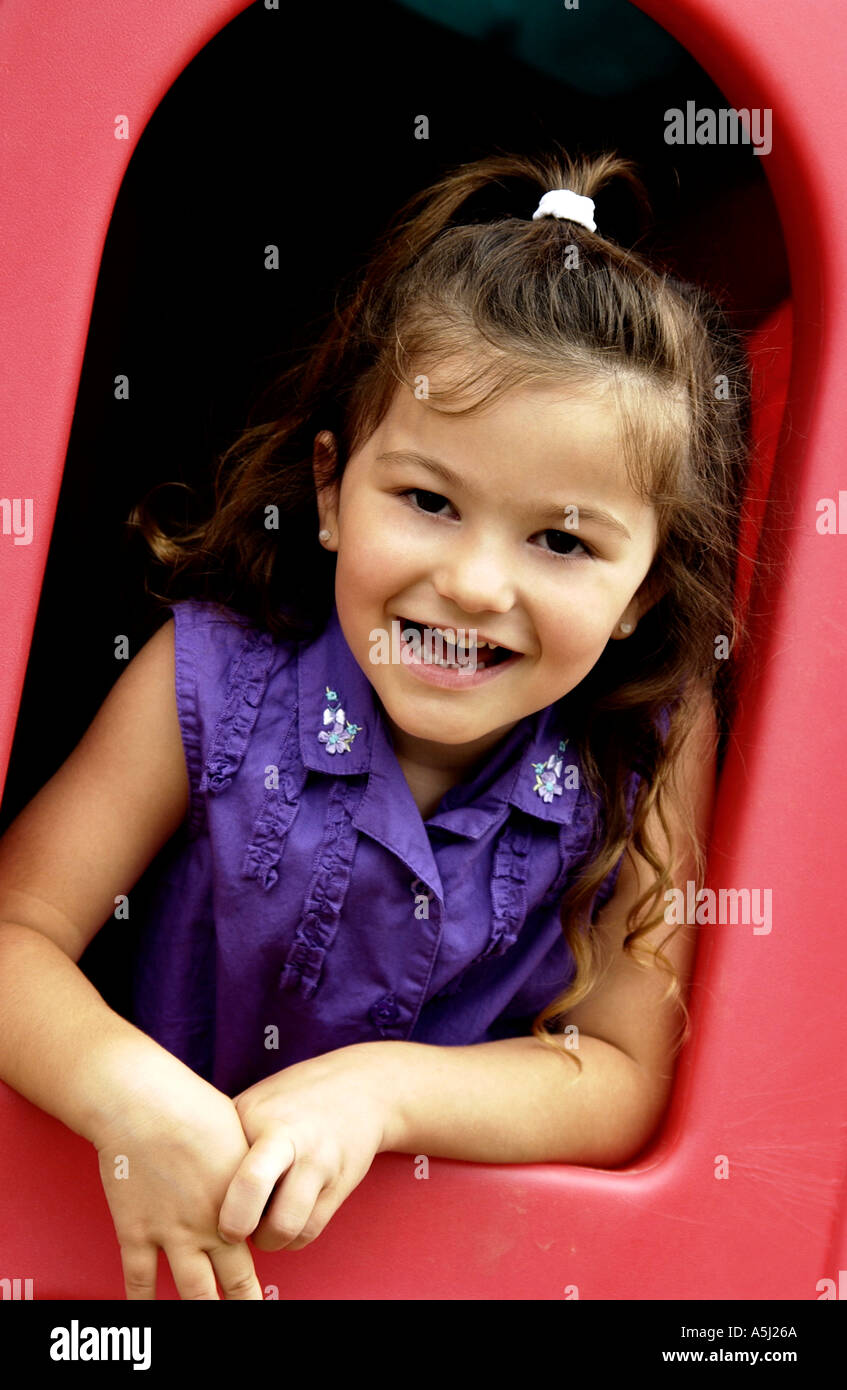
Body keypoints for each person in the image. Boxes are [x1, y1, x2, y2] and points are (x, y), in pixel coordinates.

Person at [0, 147, 749, 1300]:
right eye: (429, 501)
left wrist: (378, 1091)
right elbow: (13, 934)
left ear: (643, 590)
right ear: (333, 489)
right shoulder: (213, 674)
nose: (475, 584)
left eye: (560, 540)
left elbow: (620, 1070)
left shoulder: (645, 748)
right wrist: (122, 1099)